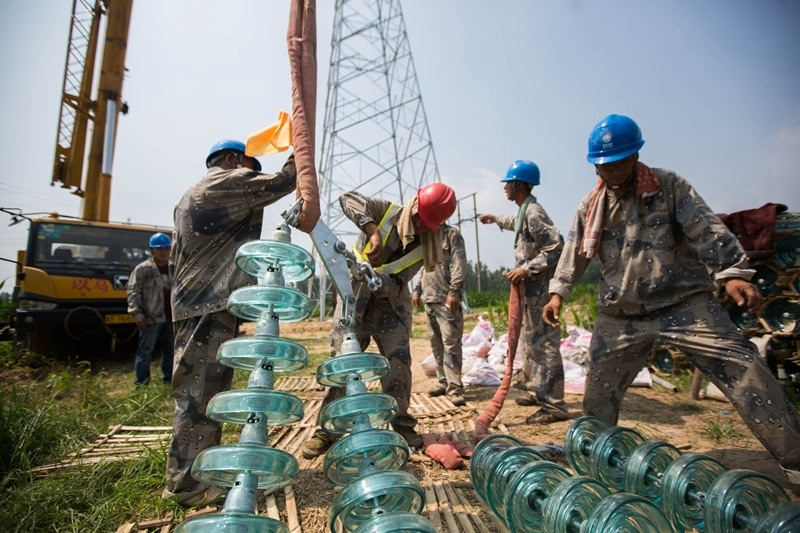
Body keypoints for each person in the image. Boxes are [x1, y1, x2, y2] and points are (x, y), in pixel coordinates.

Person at [542, 114, 800, 483]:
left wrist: (731, 274)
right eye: (601, 166)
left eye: (616, 164)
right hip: (621, 312)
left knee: (746, 370)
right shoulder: (592, 204)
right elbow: (575, 253)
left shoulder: (669, 186)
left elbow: (705, 228)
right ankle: (596, 462)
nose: (608, 172)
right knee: (599, 390)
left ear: (634, 158)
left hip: (683, 303)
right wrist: (557, 293)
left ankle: (795, 462)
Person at [163, 140, 296, 507]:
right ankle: (187, 485)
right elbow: (284, 181)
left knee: (205, 393)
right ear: (233, 160)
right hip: (206, 305)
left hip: (199, 304)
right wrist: (302, 144)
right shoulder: (222, 182)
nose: (250, 177)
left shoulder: (192, 194)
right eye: (249, 168)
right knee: (198, 397)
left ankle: (196, 475)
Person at [302, 183, 458, 459]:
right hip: (353, 301)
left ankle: (401, 423)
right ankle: (327, 429)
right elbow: (346, 197)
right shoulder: (385, 212)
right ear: (414, 205)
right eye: (419, 218)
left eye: (428, 225)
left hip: (391, 309)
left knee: (398, 366)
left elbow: (400, 282)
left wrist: (380, 282)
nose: (421, 226)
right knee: (342, 364)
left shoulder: (426, 247)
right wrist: (371, 231)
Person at [479, 161, 567, 424]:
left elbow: (555, 246)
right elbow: (517, 224)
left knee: (544, 344)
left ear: (518, 184)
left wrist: (526, 269)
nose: (505, 187)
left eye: (508, 182)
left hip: (540, 288)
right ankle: (536, 389)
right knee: (531, 341)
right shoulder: (524, 211)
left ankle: (554, 405)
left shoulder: (534, 213)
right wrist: (496, 219)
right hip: (530, 289)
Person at [412, 223, 467, 407]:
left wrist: (454, 291)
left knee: (450, 344)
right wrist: (417, 290)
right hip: (430, 298)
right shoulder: (428, 236)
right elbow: (424, 268)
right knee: (436, 344)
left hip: (445, 298)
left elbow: (459, 264)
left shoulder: (452, 234)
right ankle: (443, 382)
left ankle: (455, 388)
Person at [127, 232, 174, 387]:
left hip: (171, 318)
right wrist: (137, 313)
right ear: (152, 250)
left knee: (170, 351)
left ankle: (169, 378)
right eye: (159, 249)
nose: (163, 252)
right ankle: (142, 382)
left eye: (167, 248)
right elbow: (133, 292)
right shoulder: (142, 269)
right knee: (145, 351)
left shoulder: (174, 268)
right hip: (151, 318)